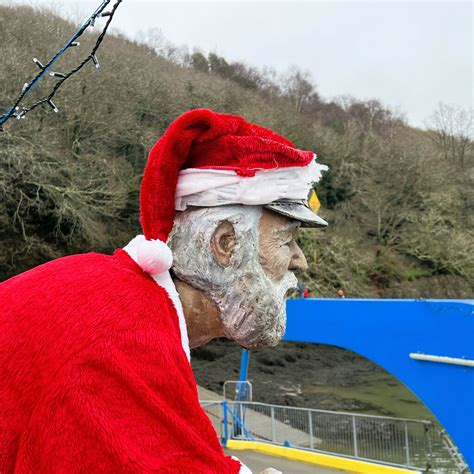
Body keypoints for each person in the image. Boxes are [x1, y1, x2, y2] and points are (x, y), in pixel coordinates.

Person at [0, 109, 327, 473]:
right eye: (287, 240)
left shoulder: (114, 295)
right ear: (225, 243)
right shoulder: (121, 338)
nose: (301, 262)